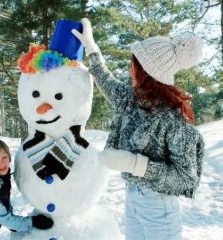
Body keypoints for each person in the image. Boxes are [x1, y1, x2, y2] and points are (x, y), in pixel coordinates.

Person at [72, 18, 205, 240]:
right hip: (133, 197)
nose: (129, 67)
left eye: (133, 63)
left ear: (145, 71)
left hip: (159, 206)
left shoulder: (173, 119)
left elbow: (186, 178)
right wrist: (91, 48)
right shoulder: (131, 99)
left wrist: (137, 165)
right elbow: (105, 79)